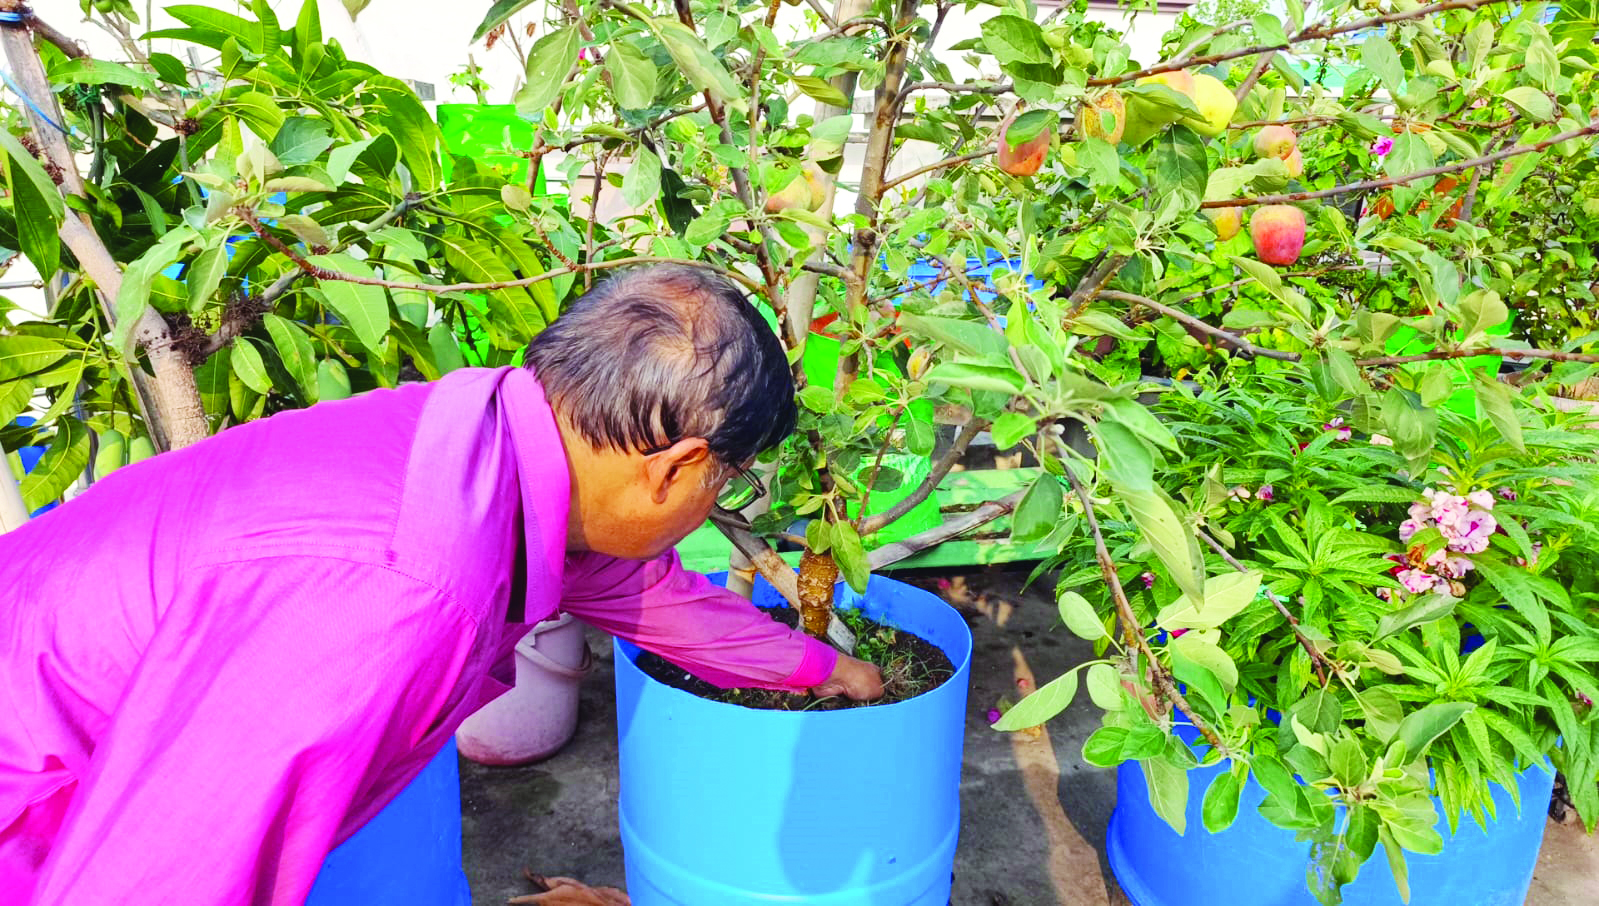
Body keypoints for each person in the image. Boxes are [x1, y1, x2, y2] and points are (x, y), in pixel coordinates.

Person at [0, 264, 883, 904]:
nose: (715, 502)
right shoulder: (397, 595)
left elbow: (646, 593)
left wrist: (821, 669)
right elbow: (160, 874)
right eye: (727, 481)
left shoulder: (491, 441)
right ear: (677, 467)